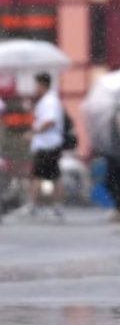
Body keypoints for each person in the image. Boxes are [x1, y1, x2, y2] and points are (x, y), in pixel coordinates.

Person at [21, 73, 65, 220]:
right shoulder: (47, 100)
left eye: (36, 85)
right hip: (49, 143)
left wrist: (33, 133)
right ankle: (56, 207)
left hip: (48, 144)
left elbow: (50, 121)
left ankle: (32, 205)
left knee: (38, 175)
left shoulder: (49, 101)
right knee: (54, 176)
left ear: (42, 85)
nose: (35, 88)